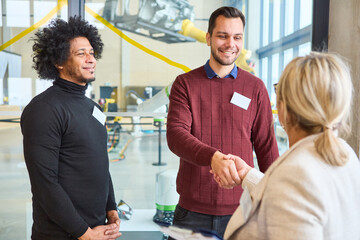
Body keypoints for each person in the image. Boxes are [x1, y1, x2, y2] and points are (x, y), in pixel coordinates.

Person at [166, 6, 279, 237]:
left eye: (237, 37)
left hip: (243, 210)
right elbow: (176, 135)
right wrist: (213, 158)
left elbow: (267, 147)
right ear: (208, 38)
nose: (230, 44)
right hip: (192, 212)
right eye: (222, 36)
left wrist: (276, 198)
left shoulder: (255, 88)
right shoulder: (185, 84)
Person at [223, 52, 360, 239]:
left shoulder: (295, 175)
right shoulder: (345, 153)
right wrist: (248, 175)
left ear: (283, 107)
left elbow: (295, 192)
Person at [21, 17, 122, 240]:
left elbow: (100, 162)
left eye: (92, 53)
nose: (91, 59)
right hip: (61, 234)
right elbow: (44, 182)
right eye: (81, 54)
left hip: (96, 229)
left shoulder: (93, 108)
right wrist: (83, 233)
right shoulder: (44, 109)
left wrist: (111, 208)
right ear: (59, 61)